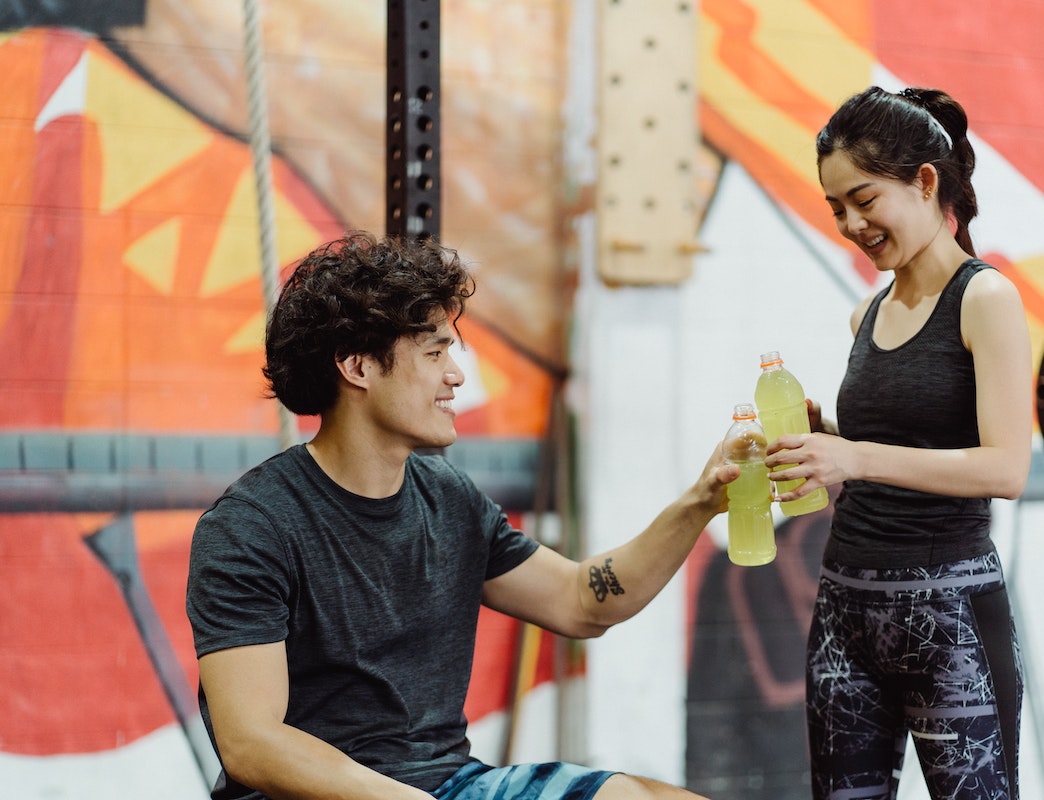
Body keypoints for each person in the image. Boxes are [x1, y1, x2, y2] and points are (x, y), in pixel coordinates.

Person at [186, 231, 737, 800]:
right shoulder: (250, 528)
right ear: (357, 367)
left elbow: (583, 601)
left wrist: (699, 503)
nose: (456, 375)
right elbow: (252, 742)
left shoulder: (449, 499)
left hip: (449, 786)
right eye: (434, 353)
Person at [764, 87, 1032, 799]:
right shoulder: (866, 314)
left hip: (949, 622)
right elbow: (895, 447)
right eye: (835, 209)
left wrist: (853, 456)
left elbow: (1006, 468)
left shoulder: (986, 300)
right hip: (845, 611)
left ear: (924, 181)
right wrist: (826, 436)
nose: (851, 224)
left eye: (863, 199)